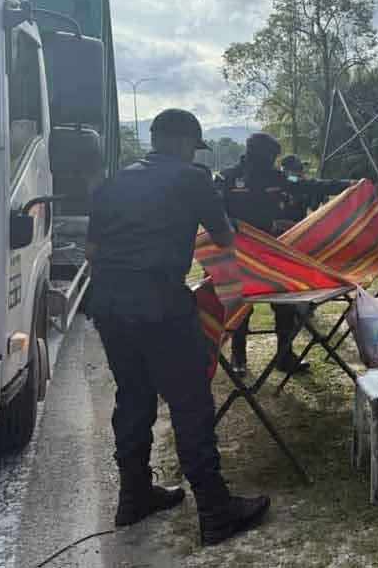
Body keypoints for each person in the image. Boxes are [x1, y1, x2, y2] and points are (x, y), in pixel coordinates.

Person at [85, 109, 270, 544]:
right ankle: (215, 509)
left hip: (109, 305)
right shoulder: (192, 178)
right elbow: (224, 238)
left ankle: (133, 497)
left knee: (133, 396)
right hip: (160, 305)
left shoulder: (114, 181)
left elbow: (92, 249)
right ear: (186, 142)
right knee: (191, 406)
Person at [218, 134, 308, 377]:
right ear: (257, 153)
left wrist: (346, 184)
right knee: (241, 306)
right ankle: (239, 358)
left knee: (285, 305)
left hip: (274, 251)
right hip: (241, 254)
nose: (272, 161)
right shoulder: (227, 177)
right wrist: (266, 222)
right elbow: (218, 214)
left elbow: (306, 184)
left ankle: (285, 356)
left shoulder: (280, 177)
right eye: (269, 156)